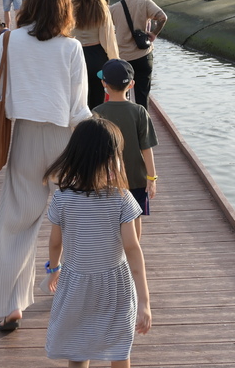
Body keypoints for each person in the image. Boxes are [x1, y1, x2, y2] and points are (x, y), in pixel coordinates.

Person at [0, 0, 90, 331]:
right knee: (76, 220)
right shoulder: (71, 48)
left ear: (29, 2)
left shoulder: (9, 40)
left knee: (16, 223)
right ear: (65, 7)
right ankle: (78, 296)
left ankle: (10, 306)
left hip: (26, 136)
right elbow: (80, 108)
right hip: (66, 139)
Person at [41, 117, 151, 362]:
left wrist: (54, 269)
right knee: (119, 348)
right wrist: (144, 301)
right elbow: (132, 248)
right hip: (115, 286)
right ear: (112, 158)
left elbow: (55, 243)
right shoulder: (121, 198)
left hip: (76, 284)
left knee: (77, 350)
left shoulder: (62, 199)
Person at [93, 59, 158, 240]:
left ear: (103, 83)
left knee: (110, 217)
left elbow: (93, 150)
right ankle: (133, 251)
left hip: (106, 178)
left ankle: (113, 253)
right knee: (135, 215)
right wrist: (151, 178)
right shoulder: (139, 112)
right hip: (136, 177)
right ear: (132, 84)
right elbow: (147, 148)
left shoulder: (96, 112)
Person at [108, 0, 166, 109]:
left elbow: (107, 30)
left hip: (123, 58)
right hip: (143, 56)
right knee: (142, 96)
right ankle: (142, 124)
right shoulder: (145, 3)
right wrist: (153, 34)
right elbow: (163, 18)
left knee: (122, 96)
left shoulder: (113, 9)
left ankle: (124, 124)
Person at [72, 0, 120, 110]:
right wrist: (115, 61)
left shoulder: (69, 7)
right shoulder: (101, 8)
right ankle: (96, 127)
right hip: (98, 57)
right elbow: (108, 40)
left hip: (76, 55)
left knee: (79, 100)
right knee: (97, 100)